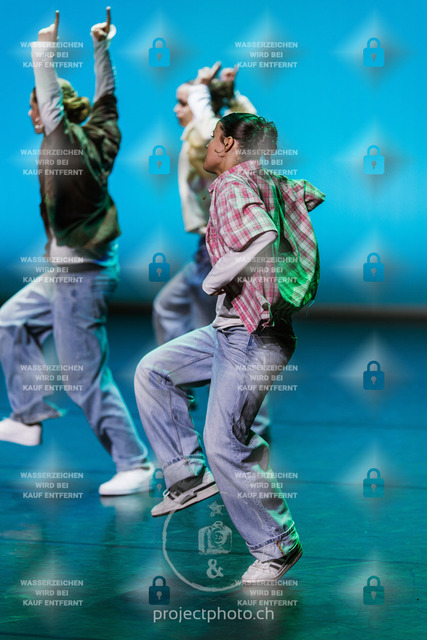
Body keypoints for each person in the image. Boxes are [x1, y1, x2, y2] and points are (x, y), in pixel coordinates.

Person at [134, 112, 325, 584]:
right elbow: (306, 196)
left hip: (253, 336)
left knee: (225, 443)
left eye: (213, 138)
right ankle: (187, 475)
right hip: (231, 329)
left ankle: (277, 546)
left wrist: (217, 276)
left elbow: (263, 235)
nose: (207, 146)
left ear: (228, 145)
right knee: (154, 370)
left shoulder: (232, 185)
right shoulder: (268, 181)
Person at [0, 9, 153, 496]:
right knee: (10, 320)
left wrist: (43, 52)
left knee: (84, 378)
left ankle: (135, 465)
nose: (33, 116)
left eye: (36, 108)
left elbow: (51, 101)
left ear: (52, 111)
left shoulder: (64, 140)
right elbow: (108, 97)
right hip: (75, 268)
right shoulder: (101, 134)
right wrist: (101, 45)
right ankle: (27, 416)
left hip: (81, 277)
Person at [153, 62, 270, 436]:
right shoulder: (200, 135)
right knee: (170, 307)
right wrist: (227, 94)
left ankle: (250, 423)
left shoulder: (210, 141)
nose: (177, 108)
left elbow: (242, 127)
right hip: (206, 250)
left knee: (235, 338)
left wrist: (205, 90)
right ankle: (179, 381)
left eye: (183, 101)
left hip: (221, 254)